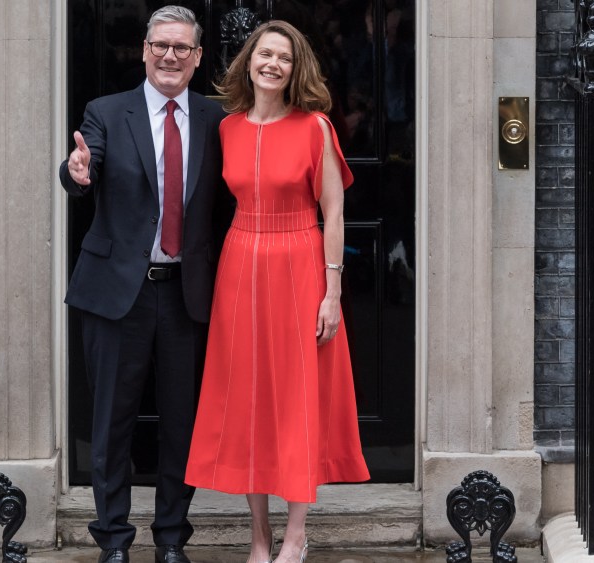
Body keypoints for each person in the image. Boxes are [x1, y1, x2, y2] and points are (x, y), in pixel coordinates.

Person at [183, 20, 370, 563]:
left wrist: (331, 289)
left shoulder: (315, 127)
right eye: (264, 54)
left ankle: (295, 533)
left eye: (284, 58)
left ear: (296, 69)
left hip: (300, 260)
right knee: (247, 399)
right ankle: (258, 536)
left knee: (295, 397)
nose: (272, 64)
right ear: (249, 61)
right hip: (240, 265)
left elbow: (334, 211)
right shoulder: (228, 129)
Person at [59, 6, 227, 563]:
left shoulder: (215, 118)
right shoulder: (107, 111)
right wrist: (75, 172)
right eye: (161, 45)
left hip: (187, 293)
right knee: (111, 422)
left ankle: (172, 539)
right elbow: (86, 165)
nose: (170, 56)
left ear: (198, 57)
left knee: (182, 422)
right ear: (144, 50)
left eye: (182, 47)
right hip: (117, 294)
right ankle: (112, 539)